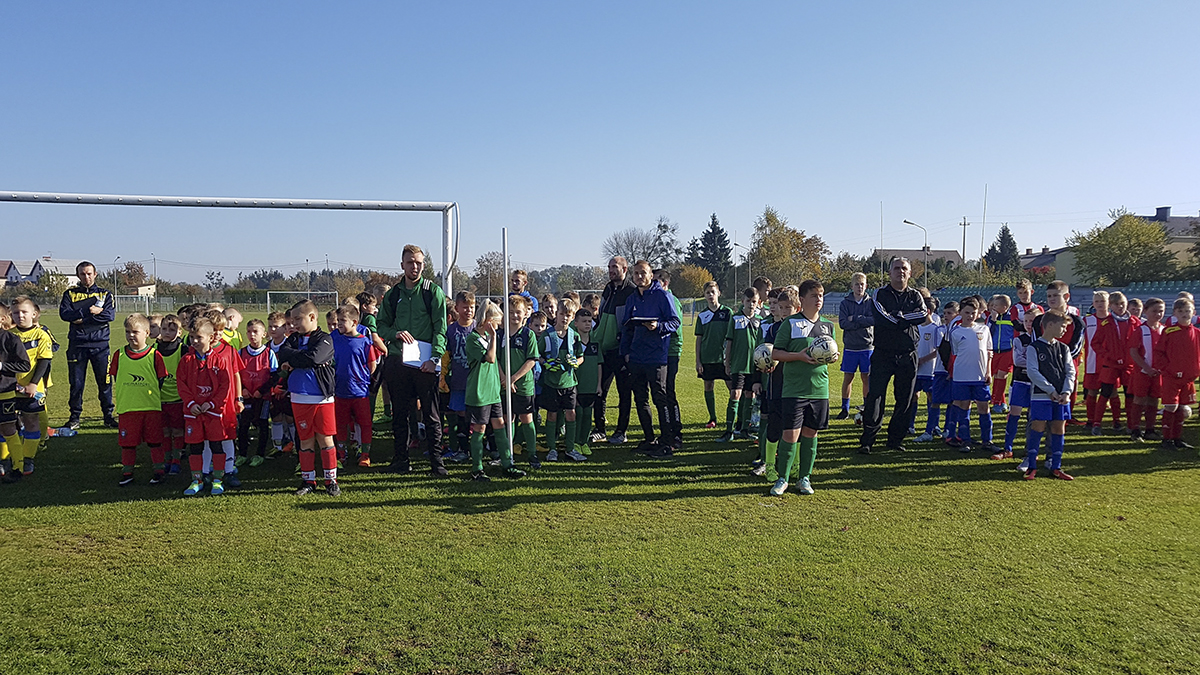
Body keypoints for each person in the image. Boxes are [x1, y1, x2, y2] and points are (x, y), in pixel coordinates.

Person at [378, 244, 449, 476]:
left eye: (418, 263)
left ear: (424, 265)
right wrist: (395, 334)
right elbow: (381, 326)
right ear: (402, 265)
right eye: (410, 262)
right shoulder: (393, 295)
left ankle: (437, 464)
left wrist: (435, 357)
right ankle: (401, 460)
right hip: (398, 362)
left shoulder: (432, 292)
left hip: (425, 363)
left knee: (431, 415)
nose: (414, 267)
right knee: (400, 414)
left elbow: (440, 328)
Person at [768, 282, 836, 496]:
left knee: (811, 434)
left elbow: (830, 351)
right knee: (790, 435)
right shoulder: (790, 323)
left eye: (821, 295)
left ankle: (804, 478)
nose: (819, 299)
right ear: (803, 299)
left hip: (819, 389)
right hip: (794, 389)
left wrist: (832, 356)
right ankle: (782, 479)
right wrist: (799, 356)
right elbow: (776, 353)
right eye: (814, 295)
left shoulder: (828, 326)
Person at [859, 258, 927, 454]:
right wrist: (905, 319)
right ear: (889, 273)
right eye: (896, 268)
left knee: (905, 398)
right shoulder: (879, 293)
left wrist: (900, 317)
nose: (900, 271)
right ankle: (867, 441)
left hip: (908, 353)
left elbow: (922, 314)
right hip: (883, 353)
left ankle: (895, 440)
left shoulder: (915, 295)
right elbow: (882, 317)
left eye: (904, 268)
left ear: (910, 273)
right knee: (875, 396)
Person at [277, 300, 339, 496]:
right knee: (305, 440)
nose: (293, 324)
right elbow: (282, 353)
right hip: (298, 397)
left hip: (321, 398)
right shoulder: (293, 339)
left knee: (325, 439)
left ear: (312, 317)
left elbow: (315, 358)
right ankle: (308, 481)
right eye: (292, 320)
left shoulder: (325, 338)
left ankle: (330, 481)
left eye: (298, 319)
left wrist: (295, 360)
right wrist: (301, 357)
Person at [620, 260, 681, 457]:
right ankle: (649, 438)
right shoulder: (632, 298)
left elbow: (675, 322)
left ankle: (667, 441)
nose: (639, 277)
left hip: (656, 356)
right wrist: (625, 352)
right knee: (640, 399)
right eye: (636, 273)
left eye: (643, 273)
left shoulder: (662, 295)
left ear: (651, 275)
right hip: (636, 357)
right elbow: (626, 327)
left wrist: (658, 326)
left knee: (660, 399)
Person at [465, 301, 526, 481]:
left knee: (500, 424)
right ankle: (477, 468)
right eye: (497, 323)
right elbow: (490, 358)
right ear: (488, 321)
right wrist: (493, 338)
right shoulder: (473, 339)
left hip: (493, 390)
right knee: (480, 428)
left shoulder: (487, 338)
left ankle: (507, 464)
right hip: (480, 391)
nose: (498, 327)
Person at [109, 313, 170, 486]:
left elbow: (161, 379)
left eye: (135, 332)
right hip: (128, 408)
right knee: (128, 444)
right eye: (127, 332)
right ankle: (127, 472)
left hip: (150, 408)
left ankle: (159, 471)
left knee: (155, 442)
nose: (130, 335)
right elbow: (116, 377)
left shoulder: (154, 355)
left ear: (147, 333)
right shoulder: (119, 354)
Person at [58, 261, 117, 429]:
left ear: (95, 274)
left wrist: (81, 318)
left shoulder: (105, 294)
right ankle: (74, 418)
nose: (86, 277)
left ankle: (108, 417)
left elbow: (109, 316)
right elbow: (65, 314)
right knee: (76, 384)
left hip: (101, 346)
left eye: (89, 273)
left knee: (105, 383)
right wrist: (90, 312)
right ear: (78, 275)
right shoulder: (70, 294)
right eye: (83, 274)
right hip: (77, 345)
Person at [177, 318, 231, 496]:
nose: (194, 341)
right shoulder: (186, 360)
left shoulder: (219, 360)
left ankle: (218, 480)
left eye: (199, 337)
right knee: (195, 447)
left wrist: (212, 403)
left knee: (216, 445)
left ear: (211, 337)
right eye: (192, 336)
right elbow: (181, 384)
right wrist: (191, 403)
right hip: (193, 412)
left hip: (212, 412)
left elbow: (224, 386)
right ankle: (197, 480)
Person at [1022, 309, 1076, 480]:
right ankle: (1032, 466)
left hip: (1061, 397)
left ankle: (1056, 466)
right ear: (1050, 325)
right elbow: (1032, 372)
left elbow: (1070, 372)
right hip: (1041, 396)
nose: (1065, 330)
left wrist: (1066, 392)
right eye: (1063, 326)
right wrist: (1050, 390)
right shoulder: (1034, 347)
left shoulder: (1064, 348)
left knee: (1058, 428)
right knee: (1038, 427)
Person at [592, 256, 637, 444]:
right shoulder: (608, 288)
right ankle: (599, 429)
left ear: (624, 269)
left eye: (614, 267)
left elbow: (630, 322)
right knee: (600, 390)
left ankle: (621, 431)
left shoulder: (631, 291)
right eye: (609, 266)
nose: (610, 270)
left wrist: (625, 345)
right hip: (605, 350)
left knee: (624, 393)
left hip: (622, 350)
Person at [8, 297, 53, 479]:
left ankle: (28, 458)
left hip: (32, 388)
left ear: (34, 314)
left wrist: (33, 384)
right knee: (7, 423)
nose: (20, 316)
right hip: (10, 387)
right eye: (16, 313)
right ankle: (9, 457)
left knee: (32, 421)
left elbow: (44, 361)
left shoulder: (41, 335)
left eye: (24, 312)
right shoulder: (8, 335)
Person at [944, 298, 997, 454]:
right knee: (964, 407)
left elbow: (989, 352)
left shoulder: (984, 329)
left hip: (980, 376)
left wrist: (988, 372)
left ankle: (987, 440)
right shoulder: (955, 332)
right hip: (962, 376)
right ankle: (965, 440)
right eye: (967, 312)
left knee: (984, 407)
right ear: (960, 313)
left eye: (973, 313)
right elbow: (955, 354)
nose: (970, 316)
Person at [540, 298, 586, 462]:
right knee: (552, 415)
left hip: (569, 382)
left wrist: (576, 363)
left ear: (573, 317)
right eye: (562, 314)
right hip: (552, 383)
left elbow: (581, 357)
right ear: (557, 314)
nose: (565, 318)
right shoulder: (547, 335)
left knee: (571, 414)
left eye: (568, 315)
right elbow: (536, 355)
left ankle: (570, 448)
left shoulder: (574, 336)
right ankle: (552, 449)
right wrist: (546, 363)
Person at [1032, 281, 1086, 420]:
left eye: (1056, 295)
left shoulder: (1077, 322)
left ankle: (1066, 419)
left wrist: (1060, 361)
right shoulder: (1039, 321)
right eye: (1049, 296)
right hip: (1044, 367)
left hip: (1068, 368)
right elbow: (1036, 345)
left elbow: (1076, 348)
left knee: (1065, 403)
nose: (1051, 299)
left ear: (1066, 297)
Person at [331, 304, 376, 467]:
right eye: (338, 321)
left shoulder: (364, 342)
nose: (339, 324)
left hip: (359, 392)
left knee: (364, 424)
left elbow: (372, 365)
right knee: (341, 424)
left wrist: (361, 378)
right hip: (340, 391)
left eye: (342, 321)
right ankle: (341, 453)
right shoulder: (334, 338)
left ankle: (364, 454)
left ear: (354, 322)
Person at [1153, 297, 1200, 451]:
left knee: (1182, 408)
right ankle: (1166, 439)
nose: (1184, 314)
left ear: (1193, 312)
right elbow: (1159, 353)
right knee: (1171, 407)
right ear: (1174, 313)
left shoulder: (1197, 332)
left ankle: (1177, 438)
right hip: (1172, 377)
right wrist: (1167, 369)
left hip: (1188, 378)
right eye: (1180, 311)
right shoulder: (1169, 331)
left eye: (1187, 311)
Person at [994, 306, 1041, 460]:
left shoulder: (1042, 341)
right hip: (1020, 381)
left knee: (1034, 417)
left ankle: (1031, 450)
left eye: (1032, 321)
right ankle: (1007, 448)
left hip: (1037, 383)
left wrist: (1032, 363)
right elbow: (1017, 360)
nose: (1028, 324)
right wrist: (1036, 363)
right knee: (1014, 415)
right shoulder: (1019, 340)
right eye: (1026, 321)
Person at [499, 295, 541, 466]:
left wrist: (513, 378)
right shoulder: (500, 334)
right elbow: (495, 359)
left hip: (523, 385)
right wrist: (504, 378)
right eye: (511, 312)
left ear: (525, 314)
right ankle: (507, 453)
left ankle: (532, 454)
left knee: (526, 418)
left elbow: (531, 360)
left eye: (518, 312)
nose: (514, 316)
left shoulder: (528, 334)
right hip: (503, 385)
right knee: (507, 419)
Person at [720, 288, 761, 443]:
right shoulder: (735, 318)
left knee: (750, 395)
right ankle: (729, 431)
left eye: (754, 301)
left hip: (754, 366)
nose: (751, 304)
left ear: (758, 303)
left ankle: (745, 429)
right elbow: (729, 342)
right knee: (735, 394)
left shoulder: (760, 320)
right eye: (748, 301)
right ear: (743, 301)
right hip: (738, 364)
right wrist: (727, 362)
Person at [237, 319, 277, 467]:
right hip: (246, 396)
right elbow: (236, 375)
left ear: (263, 334)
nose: (252, 335)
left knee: (262, 425)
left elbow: (274, 377)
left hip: (262, 397)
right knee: (244, 425)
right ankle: (242, 454)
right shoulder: (241, 353)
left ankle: (259, 454)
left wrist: (262, 391)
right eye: (249, 332)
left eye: (255, 332)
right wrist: (242, 389)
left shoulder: (269, 353)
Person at [1095, 291, 1137, 433]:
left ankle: (1131, 425)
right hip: (1111, 364)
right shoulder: (1106, 322)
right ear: (1110, 306)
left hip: (1128, 365)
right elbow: (1096, 343)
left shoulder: (1134, 322)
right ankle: (1097, 424)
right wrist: (1107, 355)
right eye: (1116, 304)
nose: (1120, 307)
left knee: (1130, 395)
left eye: (1122, 304)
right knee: (1105, 393)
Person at [0, 303, 31, 482]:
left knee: (8, 429)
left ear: (2, 319)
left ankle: (17, 468)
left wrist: (2, 366)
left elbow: (24, 365)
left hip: (4, 393)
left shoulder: (11, 340)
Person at [694, 281, 732, 429]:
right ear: (704, 295)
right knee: (708, 385)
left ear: (718, 293)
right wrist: (698, 361)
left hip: (724, 358)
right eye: (707, 293)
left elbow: (732, 336)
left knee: (732, 387)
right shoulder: (702, 315)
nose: (710, 295)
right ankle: (712, 418)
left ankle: (734, 418)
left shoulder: (727, 313)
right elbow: (699, 339)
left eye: (713, 292)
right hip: (707, 357)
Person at [654, 268, 684, 450]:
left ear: (664, 283)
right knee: (662, 393)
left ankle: (676, 432)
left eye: (656, 281)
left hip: (670, 351)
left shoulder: (671, 300)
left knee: (669, 392)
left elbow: (675, 328)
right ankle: (667, 431)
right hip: (660, 352)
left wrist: (657, 327)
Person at [1126, 297, 1164, 442]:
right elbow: (1133, 352)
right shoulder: (1140, 330)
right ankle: (1135, 430)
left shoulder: (1164, 330)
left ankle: (1150, 429)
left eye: (1161, 311)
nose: (1158, 314)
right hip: (1142, 372)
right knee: (1139, 399)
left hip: (1158, 373)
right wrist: (1146, 368)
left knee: (1154, 400)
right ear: (1146, 311)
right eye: (1154, 311)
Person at [837, 273, 874, 419]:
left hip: (867, 346)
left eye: (862, 284)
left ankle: (867, 406)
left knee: (867, 378)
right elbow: (843, 323)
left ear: (866, 286)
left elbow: (873, 320)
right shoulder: (845, 303)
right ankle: (844, 409)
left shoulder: (870, 302)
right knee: (848, 377)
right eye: (857, 284)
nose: (860, 287)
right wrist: (861, 322)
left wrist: (856, 319)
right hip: (851, 346)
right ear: (852, 286)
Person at [156, 314, 188, 474]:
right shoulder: (154, 350)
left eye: (172, 329)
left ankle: (176, 459)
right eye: (164, 329)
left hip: (178, 399)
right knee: (165, 431)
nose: (167, 332)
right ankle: (167, 458)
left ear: (180, 332)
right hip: (159, 399)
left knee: (177, 431)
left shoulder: (183, 350)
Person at [910, 296, 941, 441]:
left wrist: (922, 360)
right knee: (913, 395)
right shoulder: (915, 328)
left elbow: (937, 351)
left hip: (929, 370)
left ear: (927, 311)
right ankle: (910, 425)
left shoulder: (935, 329)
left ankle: (934, 425)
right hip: (915, 369)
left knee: (931, 397)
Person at [573, 308, 601, 456]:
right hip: (577, 386)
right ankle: (575, 442)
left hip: (591, 386)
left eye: (589, 321)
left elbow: (599, 365)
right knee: (578, 413)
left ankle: (584, 442)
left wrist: (599, 385)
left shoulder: (595, 343)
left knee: (588, 414)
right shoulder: (573, 343)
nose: (587, 324)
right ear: (576, 323)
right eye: (584, 321)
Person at [1082, 290, 1111, 433]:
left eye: (1103, 301)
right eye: (1097, 301)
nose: (1100, 304)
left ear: (1108, 303)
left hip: (1109, 363)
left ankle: (1115, 421)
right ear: (1093, 304)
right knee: (1092, 392)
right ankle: (1090, 419)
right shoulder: (1087, 320)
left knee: (1111, 392)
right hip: (1092, 362)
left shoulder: (1113, 320)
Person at [987, 294, 1015, 414]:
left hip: (1007, 350)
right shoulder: (992, 317)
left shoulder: (1011, 318)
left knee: (1002, 375)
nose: (993, 307)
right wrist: (993, 320)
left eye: (996, 305)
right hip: (994, 351)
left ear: (1004, 307)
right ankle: (997, 400)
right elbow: (988, 331)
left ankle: (998, 402)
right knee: (994, 376)